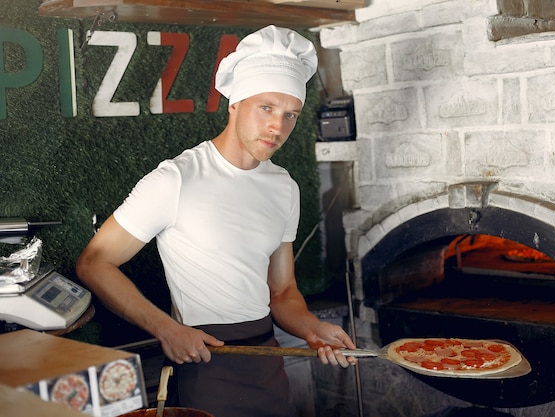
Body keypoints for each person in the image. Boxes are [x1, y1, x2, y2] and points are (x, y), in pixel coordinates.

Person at [76, 25, 357, 417]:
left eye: (290, 114)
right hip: (203, 362)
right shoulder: (176, 179)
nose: (278, 127)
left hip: (265, 358)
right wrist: (165, 327)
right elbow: (95, 263)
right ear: (235, 103)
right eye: (266, 108)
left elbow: (282, 291)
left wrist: (312, 328)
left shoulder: (283, 187)